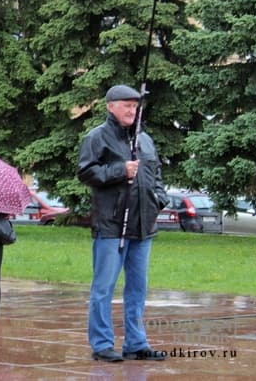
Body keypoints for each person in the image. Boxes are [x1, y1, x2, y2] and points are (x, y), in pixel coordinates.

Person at [77, 84, 169, 363]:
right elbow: (85, 172)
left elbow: (157, 174)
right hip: (111, 226)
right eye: (126, 105)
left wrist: (158, 201)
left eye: (135, 106)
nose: (132, 110)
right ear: (110, 106)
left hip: (143, 226)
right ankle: (102, 343)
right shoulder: (97, 138)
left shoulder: (145, 140)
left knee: (138, 289)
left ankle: (136, 342)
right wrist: (120, 170)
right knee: (103, 288)